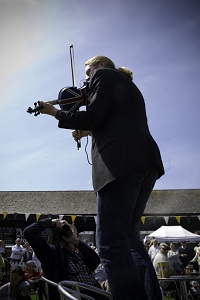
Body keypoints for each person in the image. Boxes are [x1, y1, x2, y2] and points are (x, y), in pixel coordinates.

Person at [38, 55, 164, 300]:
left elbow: (95, 116)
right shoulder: (127, 86)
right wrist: (86, 132)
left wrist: (54, 112)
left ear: (102, 65)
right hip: (144, 162)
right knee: (129, 238)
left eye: (88, 72)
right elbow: (110, 121)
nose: (87, 79)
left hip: (119, 166)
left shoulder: (104, 75)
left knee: (108, 243)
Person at [24, 218, 106, 300]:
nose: (68, 231)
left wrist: (76, 241)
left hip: (96, 293)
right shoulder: (51, 253)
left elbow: (95, 260)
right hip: (73, 296)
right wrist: (51, 222)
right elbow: (29, 232)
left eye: (69, 229)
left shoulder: (79, 253)